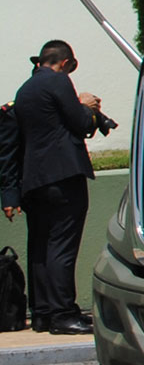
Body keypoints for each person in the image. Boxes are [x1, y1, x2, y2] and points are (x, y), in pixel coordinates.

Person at [10, 40, 101, 335]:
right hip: (63, 177)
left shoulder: (25, 90)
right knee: (62, 247)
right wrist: (88, 109)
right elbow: (78, 122)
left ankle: (43, 313)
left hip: (34, 180)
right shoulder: (59, 81)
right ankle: (63, 314)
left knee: (39, 247)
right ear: (64, 63)